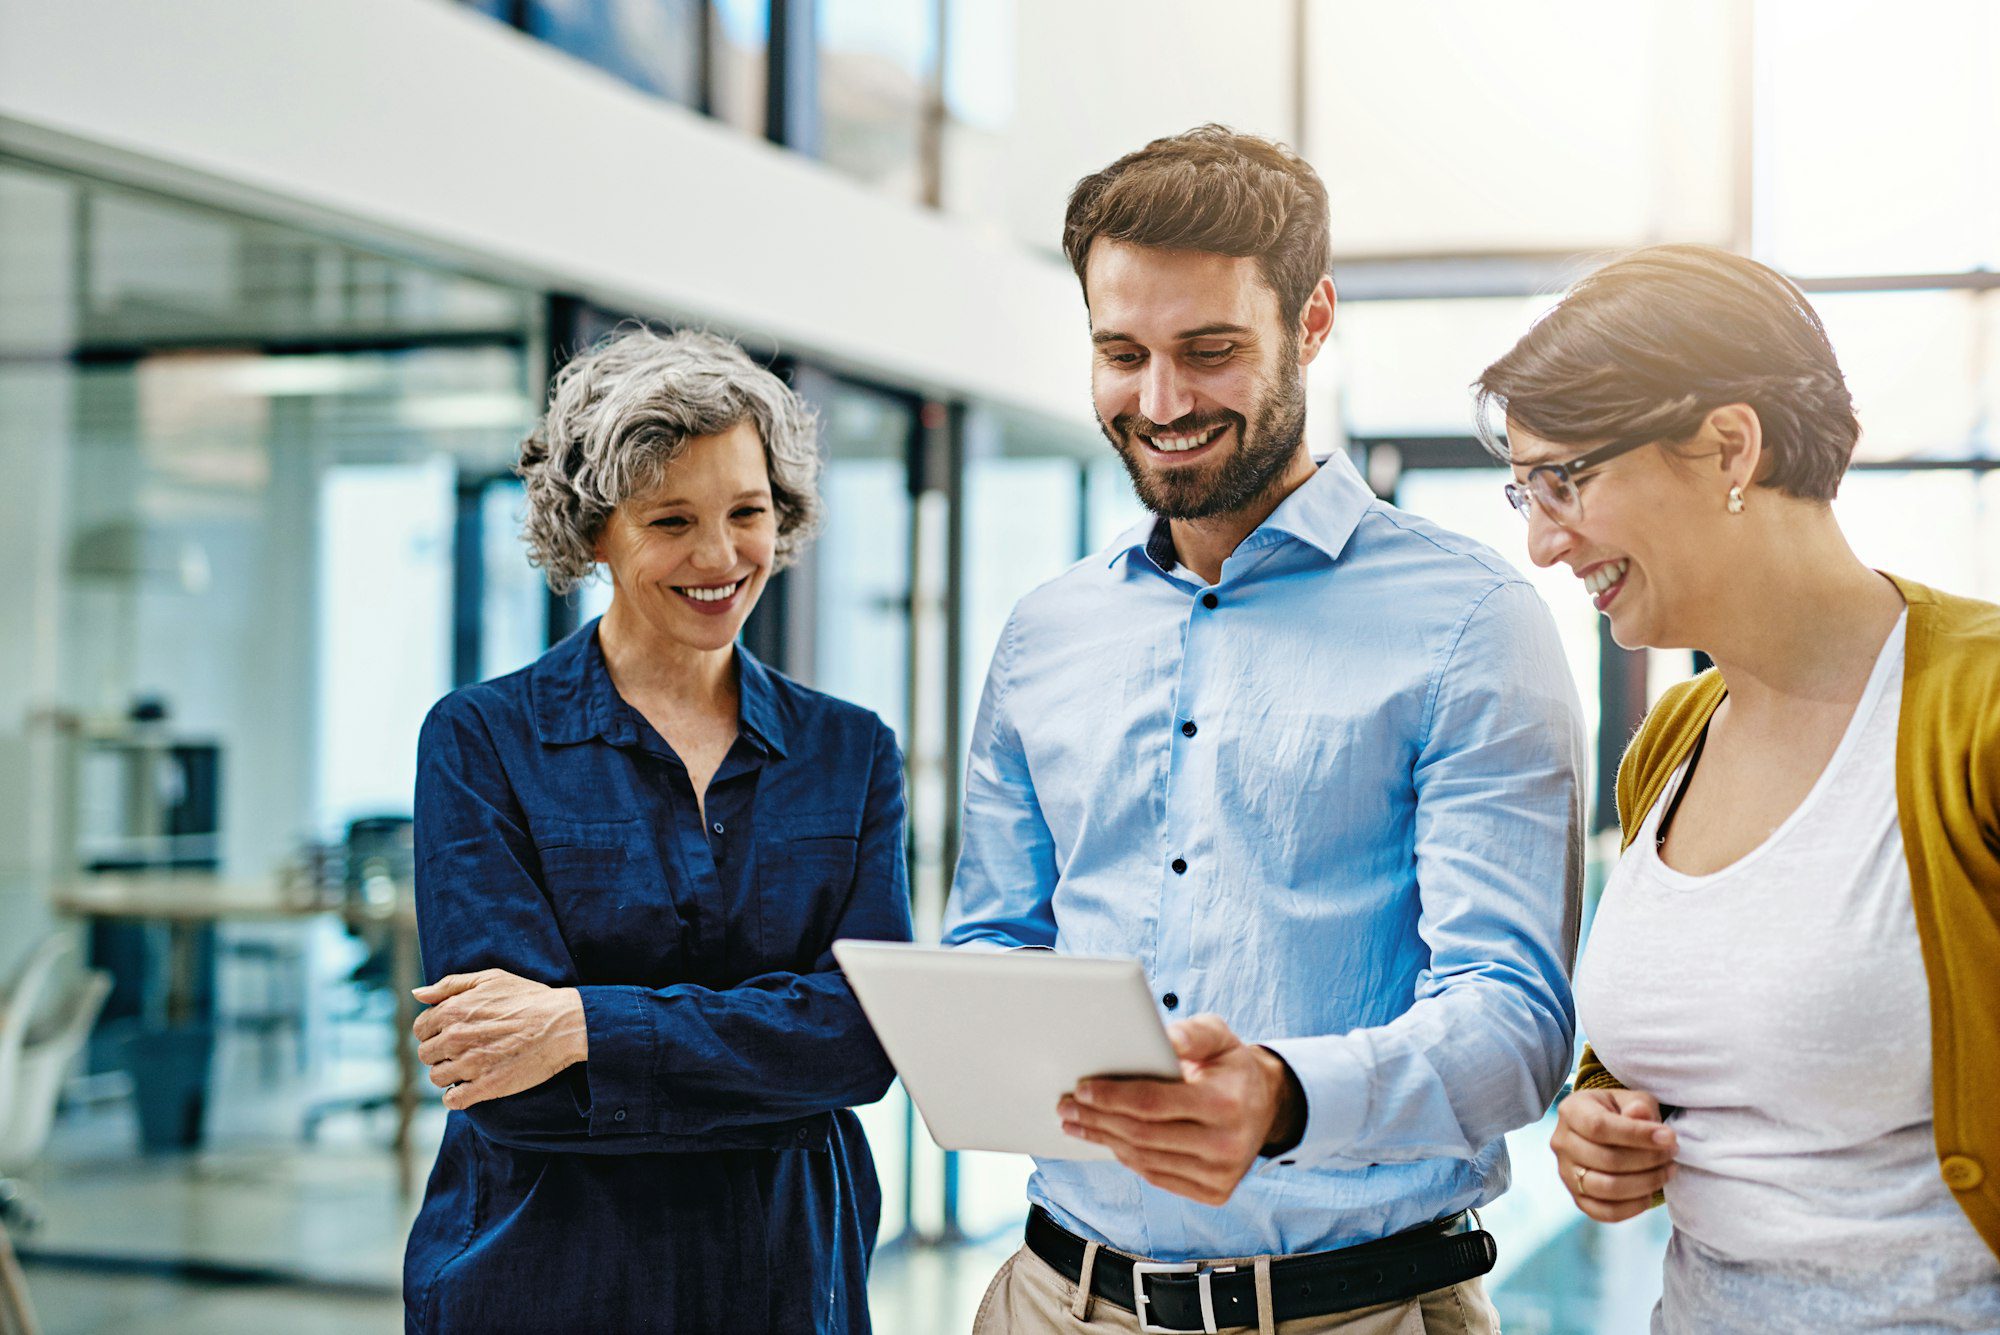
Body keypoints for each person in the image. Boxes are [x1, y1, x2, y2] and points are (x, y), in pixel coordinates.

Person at [943, 125, 1585, 1334]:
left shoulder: (1469, 619)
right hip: (1050, 1300)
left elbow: (1514, 1021)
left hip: (1357, 1313)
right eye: (1120, 354)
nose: (1161, 401)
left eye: (1210, 351)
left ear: (1313, 321)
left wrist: (1283, 1097)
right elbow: (993, 938)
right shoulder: (1045, 631)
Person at [1476, 244, 2000, 1332]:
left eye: (1565, 480)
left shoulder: (1978, 712)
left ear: (1727, 445)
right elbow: (1686, 1039)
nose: (1538, 541)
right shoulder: (1670, 737)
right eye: (1523, 491)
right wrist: (1596, 1115)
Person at [400, 328, 913, 1334]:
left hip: (784, 1276)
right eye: (670, 519)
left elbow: (862, 1045)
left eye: (747, 513)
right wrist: (768, 1053)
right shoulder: (483, 741)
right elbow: (509, 1089)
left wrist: (582, 1026)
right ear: (595, 534)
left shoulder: (849, 753)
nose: (720, 557)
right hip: (542, 1278)